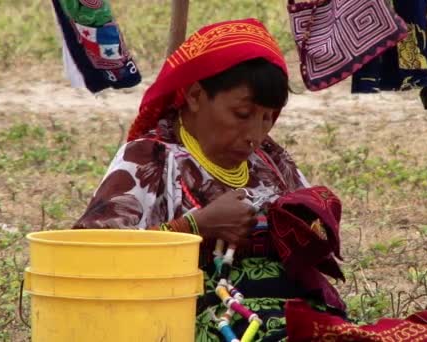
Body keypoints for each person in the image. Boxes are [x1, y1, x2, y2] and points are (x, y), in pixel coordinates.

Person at [74, 18, 345, 341]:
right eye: (242, 115)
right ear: (195, 95)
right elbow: (88, 256)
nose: (255, 136)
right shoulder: (149, 159)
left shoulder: (271, 160)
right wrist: (194, 227)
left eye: (268, 118)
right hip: (203, 319)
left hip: (288, 311)